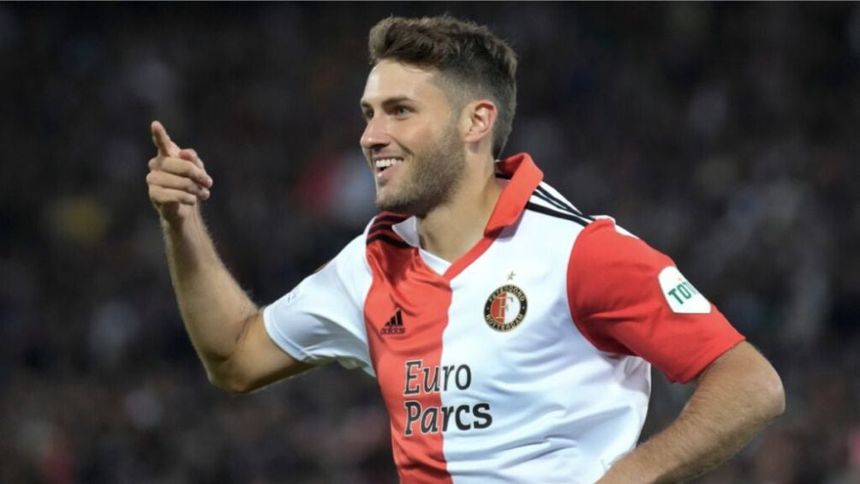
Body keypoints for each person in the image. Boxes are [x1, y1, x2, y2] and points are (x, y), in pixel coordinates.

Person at [146, 15, 785, 484]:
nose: (371, 136)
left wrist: (630, 477)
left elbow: (751, 383)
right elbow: (235, 357)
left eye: (399, 111)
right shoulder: (369, 265)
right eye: (368, 113)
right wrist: (182, 222)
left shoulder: (580, 252)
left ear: (476, 121)